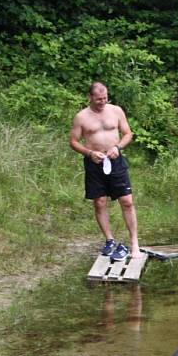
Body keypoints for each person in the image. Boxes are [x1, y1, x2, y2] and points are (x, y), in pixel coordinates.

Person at [69, 81, 140, 261]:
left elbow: (128, 134)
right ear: (90, 97)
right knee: (100, 202)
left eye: (105, 98)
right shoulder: (81, 117)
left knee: (127, 201)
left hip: (115, 160)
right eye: (99, 99)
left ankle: (134, 244)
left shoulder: (116, 111)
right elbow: (74, 141)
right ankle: (109, 240)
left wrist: (118, 147)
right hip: (94, 162)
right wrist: (89, 153)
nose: (102, 102)